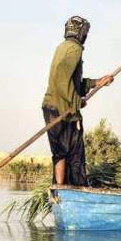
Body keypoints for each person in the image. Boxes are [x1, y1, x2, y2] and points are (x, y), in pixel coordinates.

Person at [42, 16, 114, 186]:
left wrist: (97, 82)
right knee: (75, 155)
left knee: (59, 152)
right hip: (63, 110)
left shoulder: (62, 47)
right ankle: (74, 190)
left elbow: (72, 82)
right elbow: (61, 78)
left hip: (50, 107)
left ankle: (59, 189)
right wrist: (76, 102)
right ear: (81, 33)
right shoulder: (74, 49)